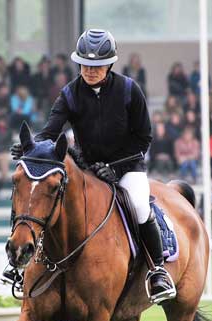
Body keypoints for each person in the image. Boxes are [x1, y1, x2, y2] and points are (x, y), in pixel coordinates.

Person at [10, 29, 175, 303]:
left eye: (97, 66)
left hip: (127, 166)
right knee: (38, 195)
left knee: (139, 205)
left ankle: (157, 271)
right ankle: (17, 260)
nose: (90, 70)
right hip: (87, 168)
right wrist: (31, 151)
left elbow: (143, 137)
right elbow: (50, 132)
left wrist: (116, 168)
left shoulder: (129, 90)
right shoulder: (70, 94)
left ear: (109, 65)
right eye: (85, 65)